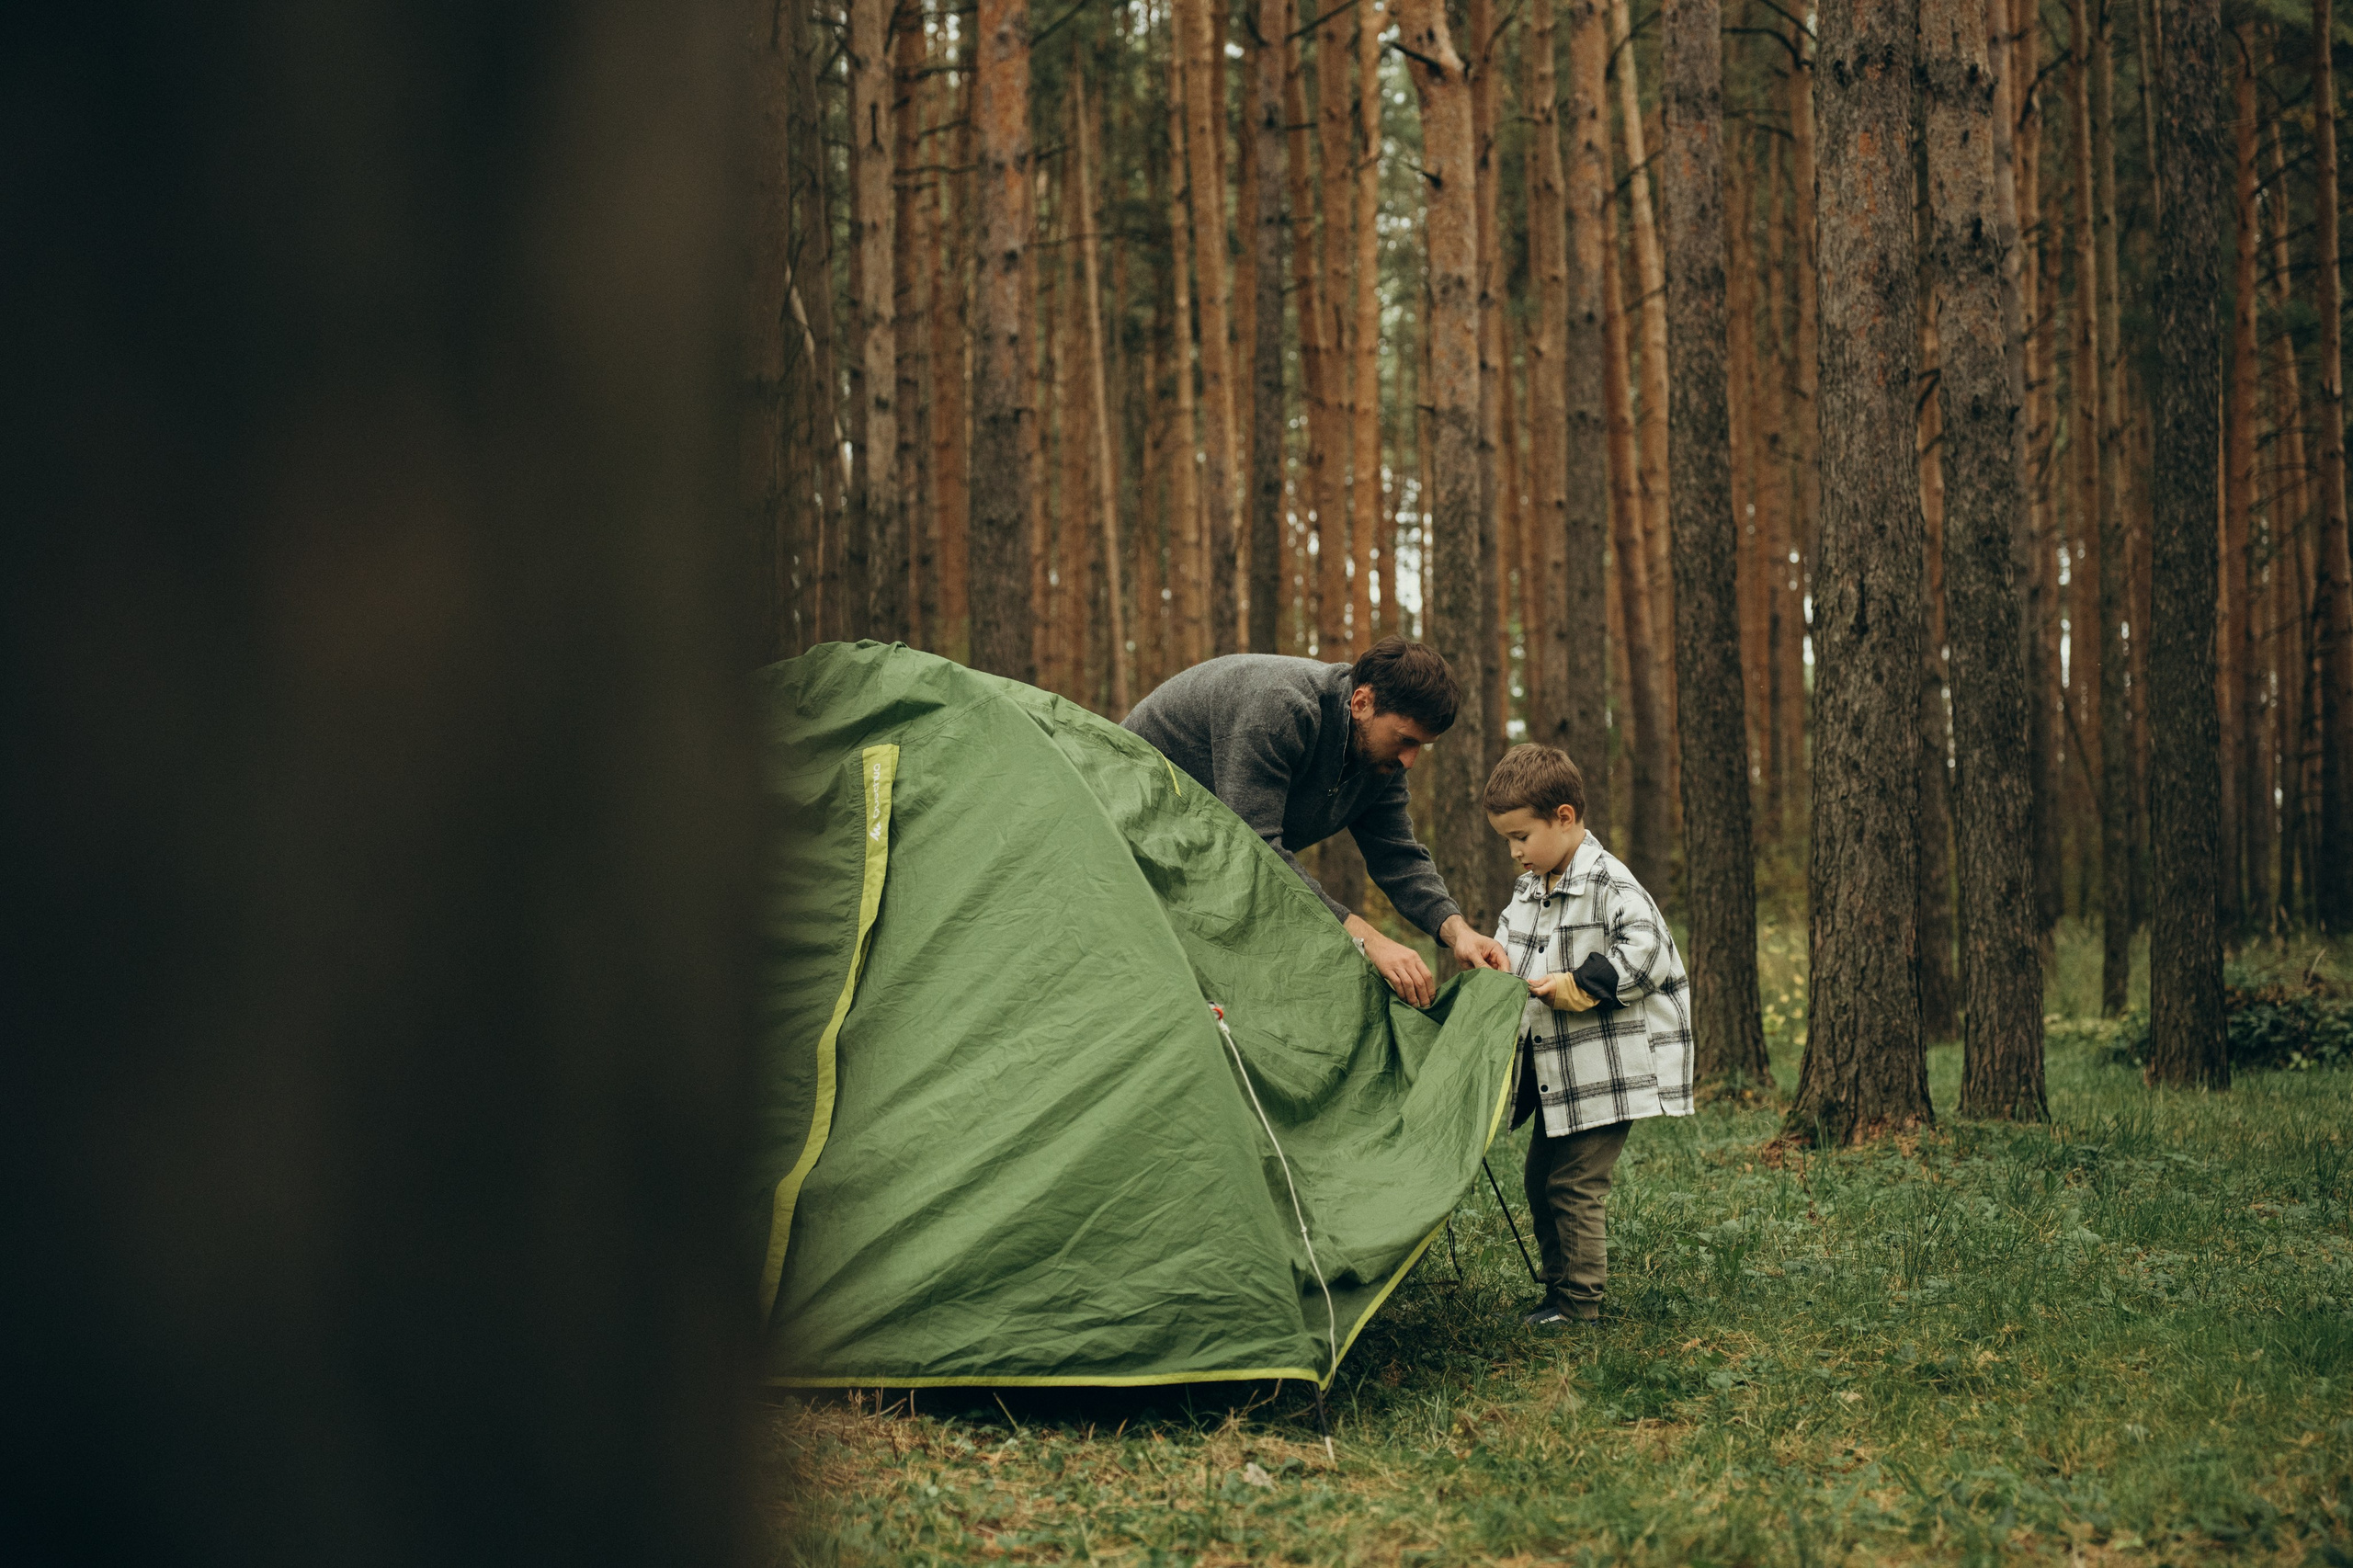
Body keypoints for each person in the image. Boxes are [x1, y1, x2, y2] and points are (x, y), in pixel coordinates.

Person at [1122, 637, 1510, 1004]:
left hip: (1197, 853)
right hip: (1122, 822)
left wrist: (1456, 930)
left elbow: (1397, 857)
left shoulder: (1380, 763)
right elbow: (1256, 850)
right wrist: (1369, 938)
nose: (1410, 759)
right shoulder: (1277, 709)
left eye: (1422, 746)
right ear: (1362, 703)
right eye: (1406, 740)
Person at [1483, 743, 1692, 1326]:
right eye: (1507, 839)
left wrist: (1574, 985)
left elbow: (1647, 955)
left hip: (1605, 1072)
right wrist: (1495, 967)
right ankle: (1557, 1292)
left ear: (1565, 817)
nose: (1515, 851)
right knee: (1539, 1180)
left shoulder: (1609, 882)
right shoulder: (1531, 888)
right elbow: (1513, 949)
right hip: (1557, 1076)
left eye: (1522, 835)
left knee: (1574, 1185)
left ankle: (1580, 1307)